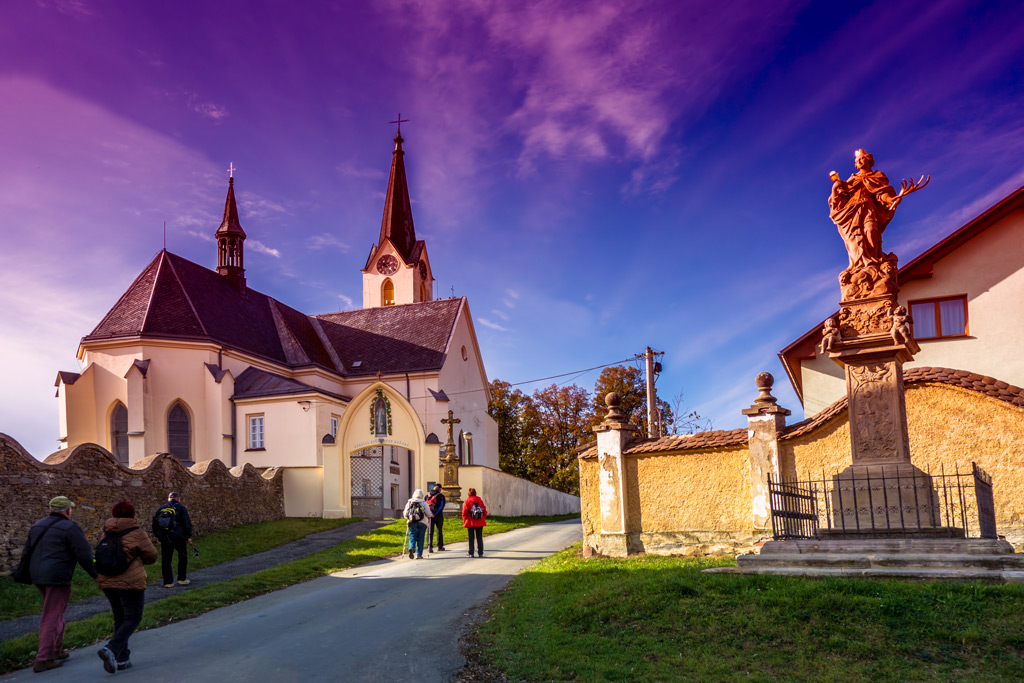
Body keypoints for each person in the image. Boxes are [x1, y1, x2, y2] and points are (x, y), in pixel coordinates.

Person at [22, 495, 98, 673]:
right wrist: (95, 573)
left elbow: (27, 551)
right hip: (57, 575)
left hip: (38, 575)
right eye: (71, 509)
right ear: (67, 510)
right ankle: (43, 658)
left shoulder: (37, 525)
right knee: (52, 614)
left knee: (56, 612)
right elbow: (85, 555)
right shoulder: (70, 527)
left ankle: (56, 649)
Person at [96, 501, 158, 674]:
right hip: (130, 582)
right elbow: (152, 556)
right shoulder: (137, 532)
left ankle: (122, 659)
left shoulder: (106, 532)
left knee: (119, 618)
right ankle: (111, 649)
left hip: (107, 581)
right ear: (132, 514)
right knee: (133, 618)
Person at [828, 149, 898, 269]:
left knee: (870, 230)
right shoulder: (852, 180)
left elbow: (881, 192)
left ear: (869, 160)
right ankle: (858, 266)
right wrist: (835, 190)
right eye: (857, 160)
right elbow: (840, 198)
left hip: (868, 207)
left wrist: (890, 200)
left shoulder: (877, 176)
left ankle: (875, 261)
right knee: (854, 240)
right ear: (855, 165)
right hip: (850, 213)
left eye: (862, 158)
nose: (859, 161)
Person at [151, 492, 194, 588]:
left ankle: (168, 582)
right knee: (182, 557)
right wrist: (188, 536)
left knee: (166, 559)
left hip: (166, 537)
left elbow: (154, 523)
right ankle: (182, 579)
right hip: (179, 537)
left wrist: (159, 535)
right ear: (178, 499)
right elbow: (186, 523)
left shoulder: (161, 508)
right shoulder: (181, 508)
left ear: (169, 498)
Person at [403, 489, 432, 559]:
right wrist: (429, 516)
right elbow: (428, 513)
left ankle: (411, 547)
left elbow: (405, 514)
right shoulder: (424, 503)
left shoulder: (409, 502)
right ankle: (419, 554)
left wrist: (409, 518)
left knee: (412, 536)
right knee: (420, 538)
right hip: (422, 523)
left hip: (412, 522)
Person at [462, 488, 488, 558]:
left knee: (471, 538)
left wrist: (465, 521)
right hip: (480, 522)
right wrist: (483, 518)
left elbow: (464, 512)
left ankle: (471, 553)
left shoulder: (467, 501)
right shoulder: (479, 500)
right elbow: (484, 510)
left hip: (470, 522)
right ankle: (480, 553)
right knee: (479, 537)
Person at [426, 484, 447, 553]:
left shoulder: (427, 496)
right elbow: (441, 506)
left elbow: (425, 506)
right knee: (439, 531)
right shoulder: (441, 496)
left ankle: (429, 547)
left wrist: (429, 514)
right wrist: (435, 514)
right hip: (438, 516)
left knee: (430, 531)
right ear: (440, 489)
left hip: (429, 516)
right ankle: (440, 546)